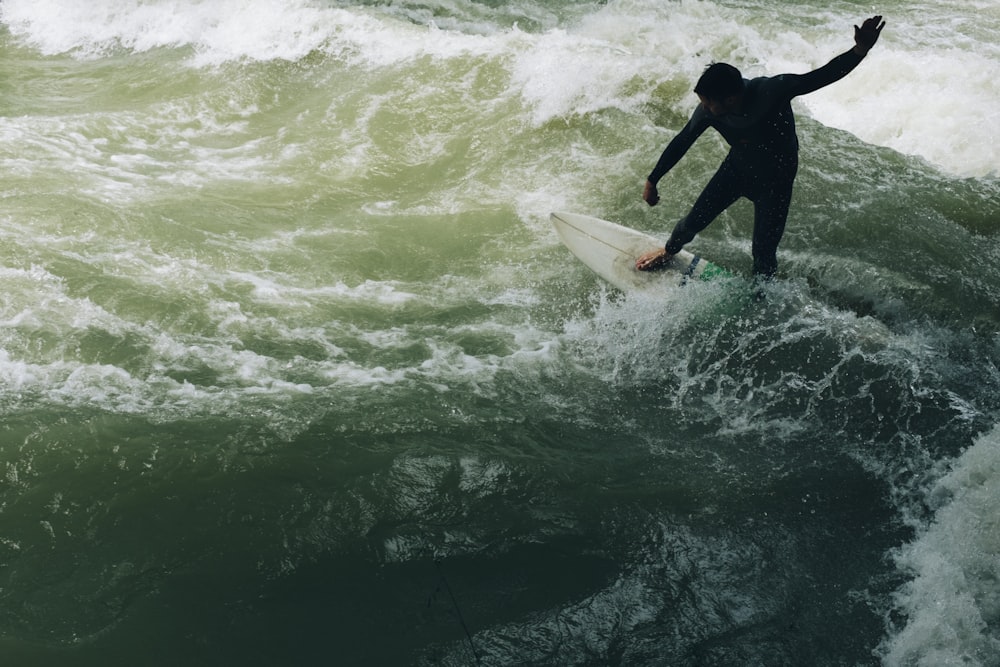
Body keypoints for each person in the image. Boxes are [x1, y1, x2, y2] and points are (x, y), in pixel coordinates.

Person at [635, 15, 886, 279]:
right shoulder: (709, 112)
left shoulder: (772, 91)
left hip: (776, 183)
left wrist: (860, 51)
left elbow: (822, 76)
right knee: (690, 223)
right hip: (736, 171)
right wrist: (653, 180)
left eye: (709, 103)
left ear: (730, 98)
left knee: (764, 254)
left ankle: (759, 299)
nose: (705, 109)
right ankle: (668, 251)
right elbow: (683, 140)